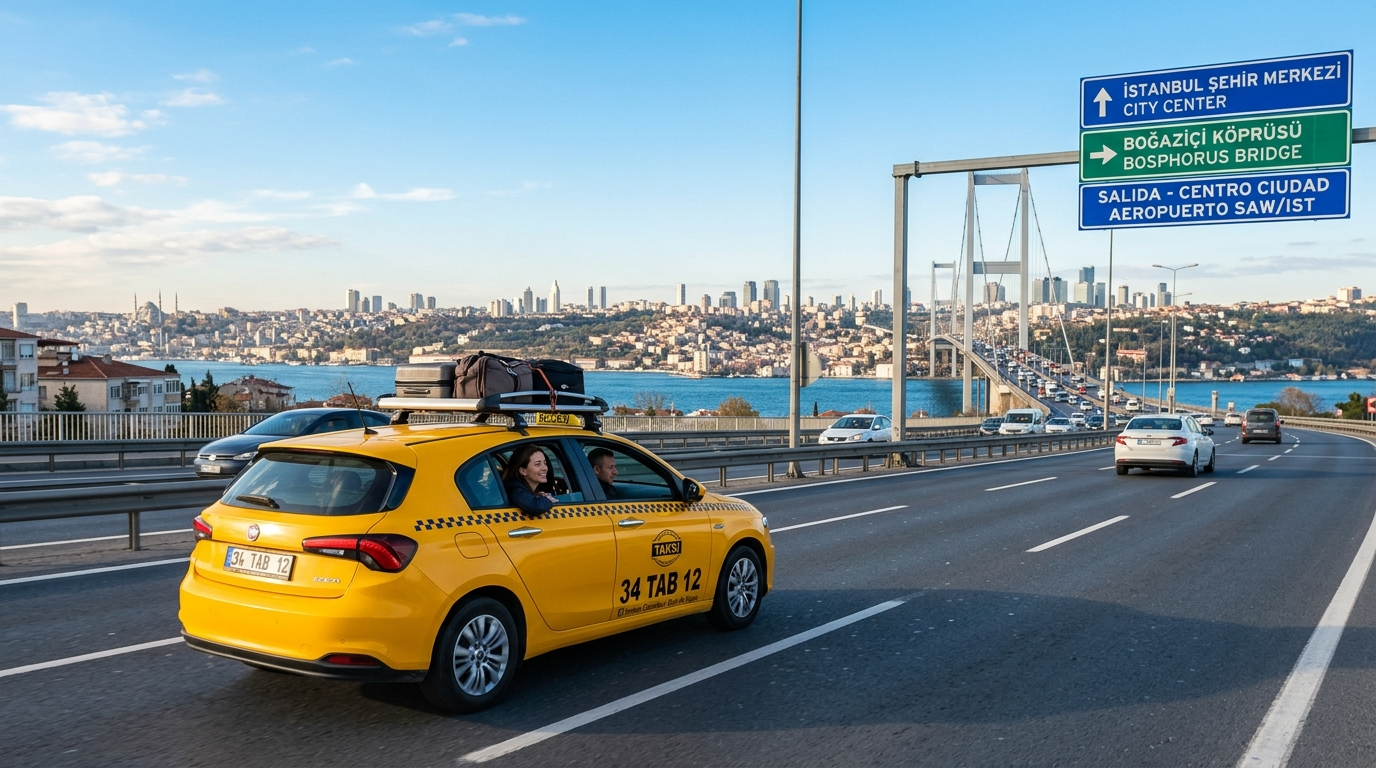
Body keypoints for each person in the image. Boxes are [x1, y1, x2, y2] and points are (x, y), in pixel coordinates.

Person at [502, 444, 559, 516]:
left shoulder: (521, 488)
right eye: (537, 464)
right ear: (522, 471)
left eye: (545, 463)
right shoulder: (514, 488)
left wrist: (539, 497)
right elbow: (535, 507)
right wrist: (548, 500)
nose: (545, 468)